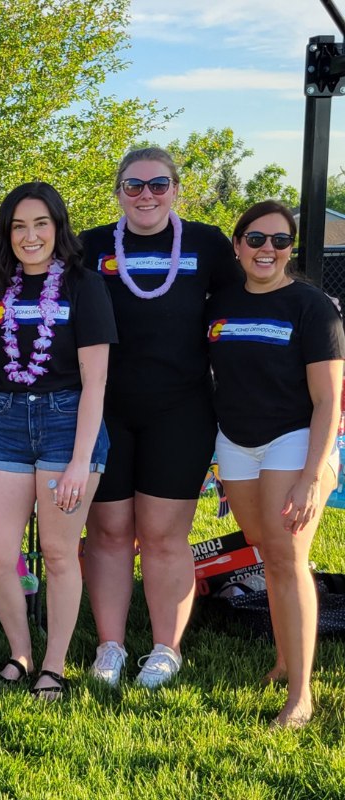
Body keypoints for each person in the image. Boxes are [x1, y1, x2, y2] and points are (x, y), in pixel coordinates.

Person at [79, 147, 239, 687]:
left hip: (182, 408)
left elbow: (242, 310)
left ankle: (166, 648)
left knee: (166, 535)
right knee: (108, 531)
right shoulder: (94, 245)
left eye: (158, 184)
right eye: (133, 185)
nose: (146, 195)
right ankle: (110, 646)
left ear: (176, 189)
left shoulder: (208, 244)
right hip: (105, 409)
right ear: (118, 190)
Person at [207, 201, 344, 727]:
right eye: (256, 239)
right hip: (237, 443)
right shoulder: (218, 304)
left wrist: (312, 476)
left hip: (295, 439)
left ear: (291, 249)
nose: (268, 249)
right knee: (267, 552)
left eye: (280, 241)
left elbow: (329, 401)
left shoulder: (312, 307)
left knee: (285, 558)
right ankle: (286, 660)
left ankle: (302, 695)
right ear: (238, 246)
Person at [0, 183, 115, 699]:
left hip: (67, 421)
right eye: (18, 226)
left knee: (58, 554)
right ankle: (21, 650)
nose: (29, 236)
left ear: (58, 227)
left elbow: (96, 380)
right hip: (10, 421)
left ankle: (54, 664)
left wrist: (81, 460)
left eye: (40, 224)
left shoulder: (84, 285)